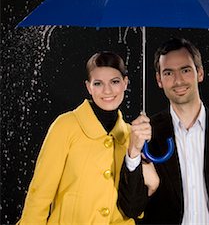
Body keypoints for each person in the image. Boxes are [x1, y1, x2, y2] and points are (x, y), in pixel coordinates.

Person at [118, 37, 209, 225]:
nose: (178, 81)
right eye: (168, 73)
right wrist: (133, 154)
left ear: (200, 73)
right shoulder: (145, 134)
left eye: (185, 70)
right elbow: (132, 209)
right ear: (159, 80)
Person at [17, 51, 157, 225]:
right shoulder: (65, 126)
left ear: (125, 83)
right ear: (89, 87)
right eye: (98, 83)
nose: (107, 90)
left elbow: (133, 209)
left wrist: (135, 153)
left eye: (114, 81)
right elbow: (40, 194)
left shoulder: (133, 135)